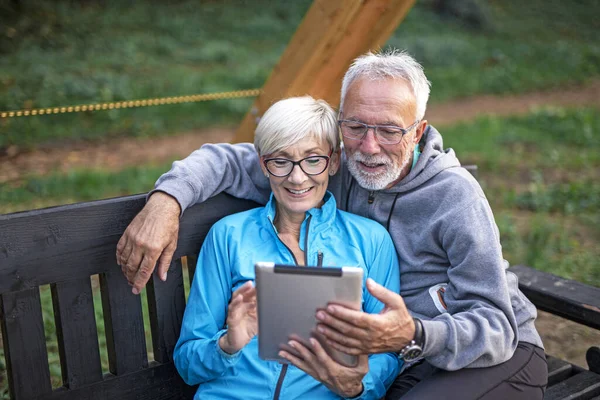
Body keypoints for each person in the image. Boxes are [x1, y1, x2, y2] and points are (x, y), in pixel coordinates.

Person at [117, 49, 548, 399]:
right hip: (404, 357)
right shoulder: (320, 167)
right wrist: (167, 199)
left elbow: (497, 327)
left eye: (389, 131)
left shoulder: (455, 197)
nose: (370, 146)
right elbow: (230, 160)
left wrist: (414, 333)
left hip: (492, 353)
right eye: (356, 126)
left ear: (418, 132)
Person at [173, 95, 401, 399]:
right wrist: (227, 346)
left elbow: (388, 348)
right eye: (281, 161)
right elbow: (187, 363)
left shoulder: (370, 241)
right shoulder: (228, 236)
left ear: (333, 162)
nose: (296, 177)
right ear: (263, 165)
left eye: (313, 160)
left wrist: (359, 386)